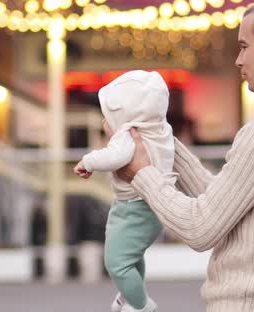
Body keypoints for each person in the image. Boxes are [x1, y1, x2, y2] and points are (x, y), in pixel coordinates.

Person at [117, 0, 254, 311]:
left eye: (244, 47)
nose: (238, 59)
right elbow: (226, 204)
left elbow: (200, 227)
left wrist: (141, 174)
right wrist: (164, 141)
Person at [73, 70, 176, 312]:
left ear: (126, 117)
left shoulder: (128, 135)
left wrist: (88, 161)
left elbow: (113, 156)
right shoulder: (160, 130)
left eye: (106, 117)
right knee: (132, 256)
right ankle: (131, 294)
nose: (103, 123)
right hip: (152, 206)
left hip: (134, 207)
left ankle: (141, 306)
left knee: (116, 261)